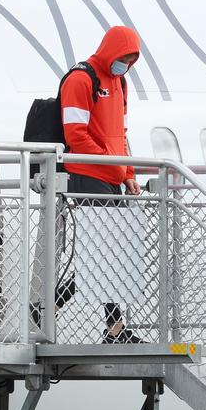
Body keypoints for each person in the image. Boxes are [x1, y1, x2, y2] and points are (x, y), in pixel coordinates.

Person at [59, 25, 144, 344]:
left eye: (131, 60)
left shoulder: (119, 82)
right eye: (124, 58)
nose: (126, 65)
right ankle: (114, 327)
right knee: (105, 252)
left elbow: (121, 135)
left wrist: (129, 172)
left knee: (110, 253)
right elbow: (75, 135)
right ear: (110, 50)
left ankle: (49, 307)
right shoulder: (81, 79)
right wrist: (115, 165)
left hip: (112, 175)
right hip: (88, 174)